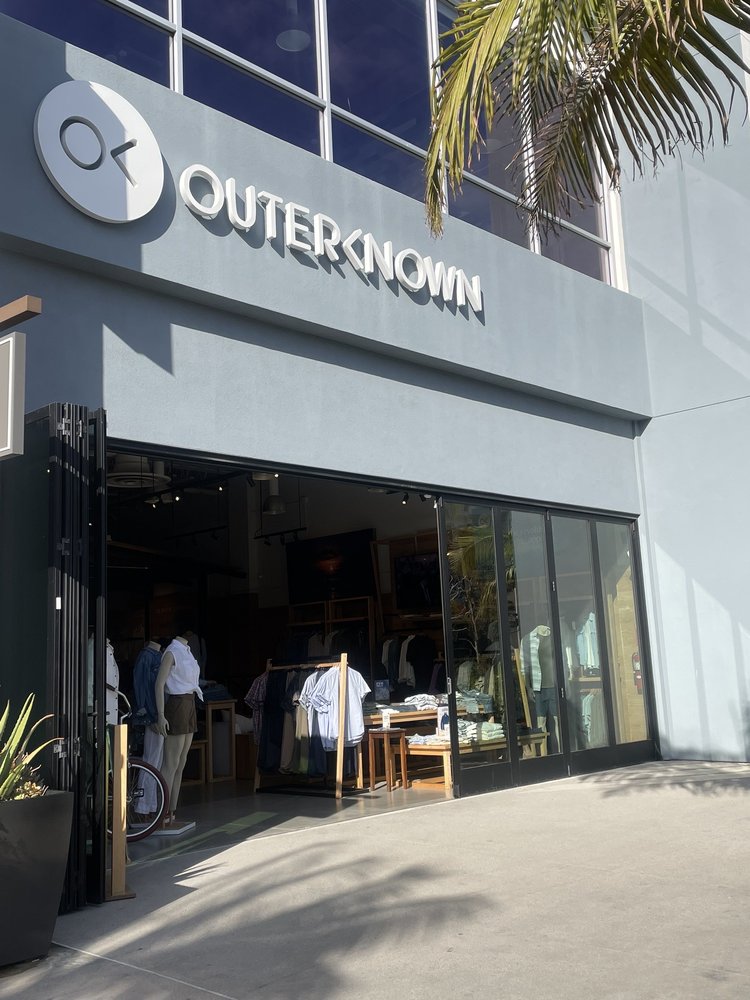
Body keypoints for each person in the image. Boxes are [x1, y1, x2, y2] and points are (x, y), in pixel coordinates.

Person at [155, 630, 203, 826]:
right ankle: (162, 812)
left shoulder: (187, 651)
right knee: (171, 763)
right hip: (177, 704)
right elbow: (159, 684)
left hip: (190, 703)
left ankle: (172, 810)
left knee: (181, 762)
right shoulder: (172, 652)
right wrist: (161, 715)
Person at [132, 639, 164, 816]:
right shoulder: (146, 657)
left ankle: (150, 804)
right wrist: (149, 716)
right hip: (153, 714)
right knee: (151, 759)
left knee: (156, 760)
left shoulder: (158, 655)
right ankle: (143, 805)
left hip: (158, 714)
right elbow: (141, 687)